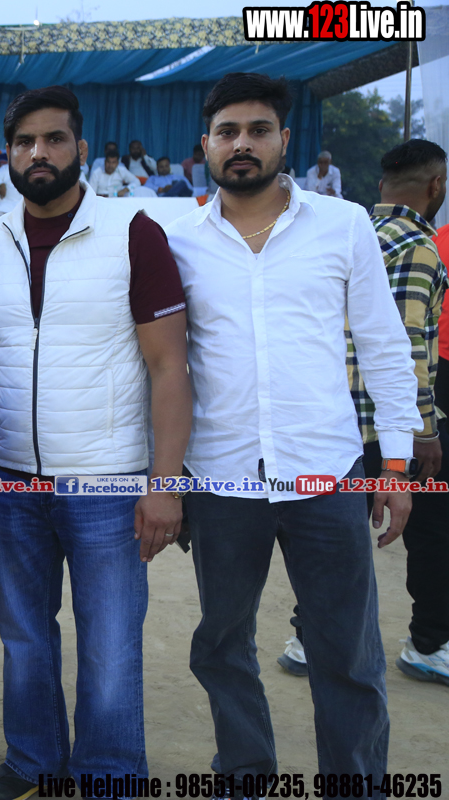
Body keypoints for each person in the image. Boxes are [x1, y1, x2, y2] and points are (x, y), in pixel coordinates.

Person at [165, 72, 419, 782]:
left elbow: (385, 346)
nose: (242, 144)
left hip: (327, 475)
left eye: (257, 130)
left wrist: (396, 466)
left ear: (284, 139)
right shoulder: (178, 240)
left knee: (348, 653)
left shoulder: (343, 225)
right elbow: (160, 363)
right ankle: (245, 774)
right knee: (222, 644)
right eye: (228, 132)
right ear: (207, 145)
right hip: (222, 479)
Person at [0, 85, 191, 800]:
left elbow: (169, 367)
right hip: (12, 478)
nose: (39, 153)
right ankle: (33, 759)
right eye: (25, 142)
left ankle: (110, 775)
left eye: (54, 139)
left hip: (107, 481)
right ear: (7, 155)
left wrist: (164, 484)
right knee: (24, 635)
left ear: (80, 149)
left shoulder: (132, 232)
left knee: (110, 644)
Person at [278, 139, 449, 686]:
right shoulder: (419, 247)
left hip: (333, 416)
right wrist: (424, 428)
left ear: (381, 186)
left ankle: (307, 637)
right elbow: (408, 343)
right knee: (428, 532)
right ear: (437, 186)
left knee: (332, 536)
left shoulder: (350, 233)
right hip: (381, 424)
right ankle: (429, 642)